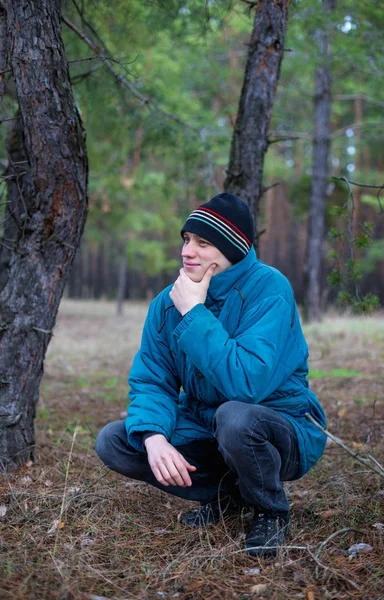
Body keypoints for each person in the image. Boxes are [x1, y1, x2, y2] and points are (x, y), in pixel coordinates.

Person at [95, 192, 327, 557]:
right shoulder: (167, 302)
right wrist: (154, 437)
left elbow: (246, 383)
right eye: (187, 239)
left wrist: (194, 314)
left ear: (232, 250)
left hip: (281, 427)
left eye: (203, 243)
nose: (188, 251)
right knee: (116, 441)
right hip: (208, 426)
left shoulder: (269, 289)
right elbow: (153, 379)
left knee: (234, 416)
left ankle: (270, 509)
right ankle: (229, 494)